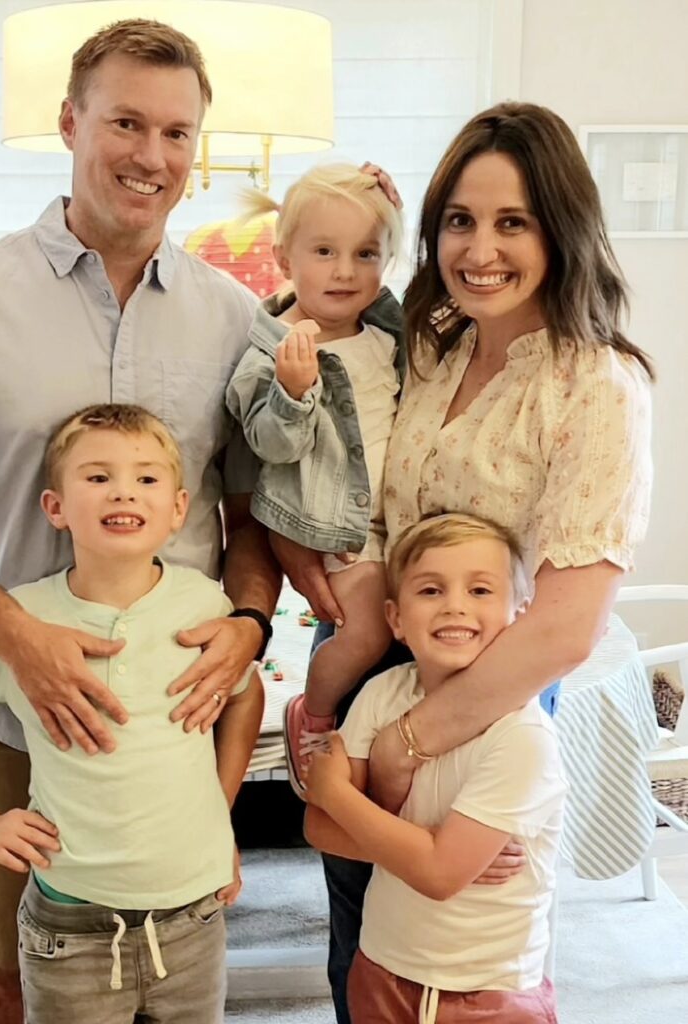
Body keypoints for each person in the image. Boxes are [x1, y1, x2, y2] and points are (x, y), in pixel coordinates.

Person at [0, 20, 283, 1024]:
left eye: (178, 133)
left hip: (169, 723)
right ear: (70, 122)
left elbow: (254, 513)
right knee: (17, 971)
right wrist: (21, 642)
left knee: (175, 964)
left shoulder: (235, 315)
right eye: (127, 123)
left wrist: (248, 627)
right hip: (12, 715)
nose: (153, 157)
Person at [272, 101, 654, 1023]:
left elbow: (566, 627)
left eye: (511, 222)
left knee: (464, 962)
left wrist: (411, 741)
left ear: (561, 230)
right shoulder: (430, 345)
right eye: (459, 221)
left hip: (487, 698)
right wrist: (353, 219)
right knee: (362, 942)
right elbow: (307, 315)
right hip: (373, 663)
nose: (479, 250)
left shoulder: (595, 385)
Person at [0, 403, 264, 1024]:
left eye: (146, 478)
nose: (123, 490)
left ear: (178, 509)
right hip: (70, 928)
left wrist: (217, 817)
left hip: (195, 917)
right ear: (56, 507)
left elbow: (244, 694)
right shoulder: (21, 622)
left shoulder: (206, 604)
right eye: (98, 476)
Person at [304, 513, 566, 1024]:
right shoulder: (383, 695)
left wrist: (335, 792)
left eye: (481, 590)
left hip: (488, 993)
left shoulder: (522, 736)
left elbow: (440, 875)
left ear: (520, 614)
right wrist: (427, 847)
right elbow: (319, 829)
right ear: (395, 618)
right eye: (430, 590)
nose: (455, 606)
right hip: (381, 968)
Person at [226, 164, 404, 797]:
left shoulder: (385, 334)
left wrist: (392, 210)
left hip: (401, 523)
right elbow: (265, 445)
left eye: (366, 254)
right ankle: (316, 713)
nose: (345, 271)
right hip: (335, 528)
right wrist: (292, 394)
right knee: (367, 631)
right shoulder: (271, 349)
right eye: (324, 252)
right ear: (283, 256)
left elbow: (426, 306)